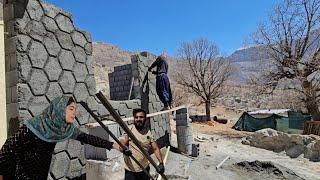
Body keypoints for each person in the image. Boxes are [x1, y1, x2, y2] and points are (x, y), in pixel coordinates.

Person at [0, 96, 124, 180]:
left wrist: (113, 145)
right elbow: (8, 148)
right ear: (60, 109)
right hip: (20, 176)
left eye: (75, 109)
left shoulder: (64, 129)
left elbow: (87, 138)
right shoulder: (34, 127)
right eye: (71, 109)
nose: (74, 113)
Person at [121, 108, 164, 180]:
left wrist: (161, 163)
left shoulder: (148, 132)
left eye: (141, 117)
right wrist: (124, 149)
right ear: (134, 119)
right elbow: (122, 143)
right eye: (136, 117)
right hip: (131, 170)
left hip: (144, 169)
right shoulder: (129, 130)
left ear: (145, 119)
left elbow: (155, 148)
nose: (138, 119)